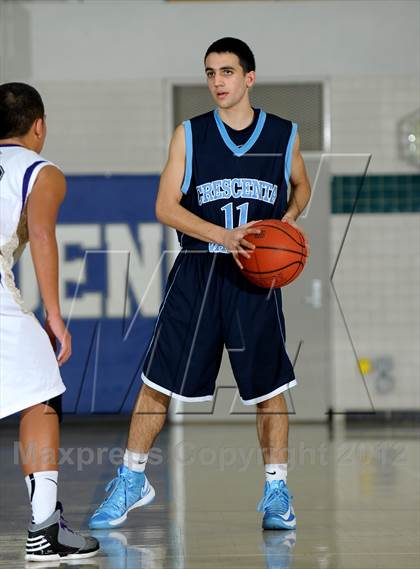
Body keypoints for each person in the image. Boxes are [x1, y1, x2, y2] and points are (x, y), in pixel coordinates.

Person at [89, 37, 311, 531]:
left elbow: (301, 184)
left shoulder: (284, 134)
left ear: (249, 78)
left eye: (227, 72)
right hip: (197, 269)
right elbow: (165, 207)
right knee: (156, 381)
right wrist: (222, 236)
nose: (217, 82)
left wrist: (290, 220)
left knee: (270, 388)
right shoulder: (188, 135)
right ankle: (132, 479)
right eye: (210, 73)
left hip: (255, 277)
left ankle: (277, 491)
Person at [0, 82, 99, 561]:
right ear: (38, 127)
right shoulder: (43, 171)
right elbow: (40, 233)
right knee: (42, 391)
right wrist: (54, 315)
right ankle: (45, 529)